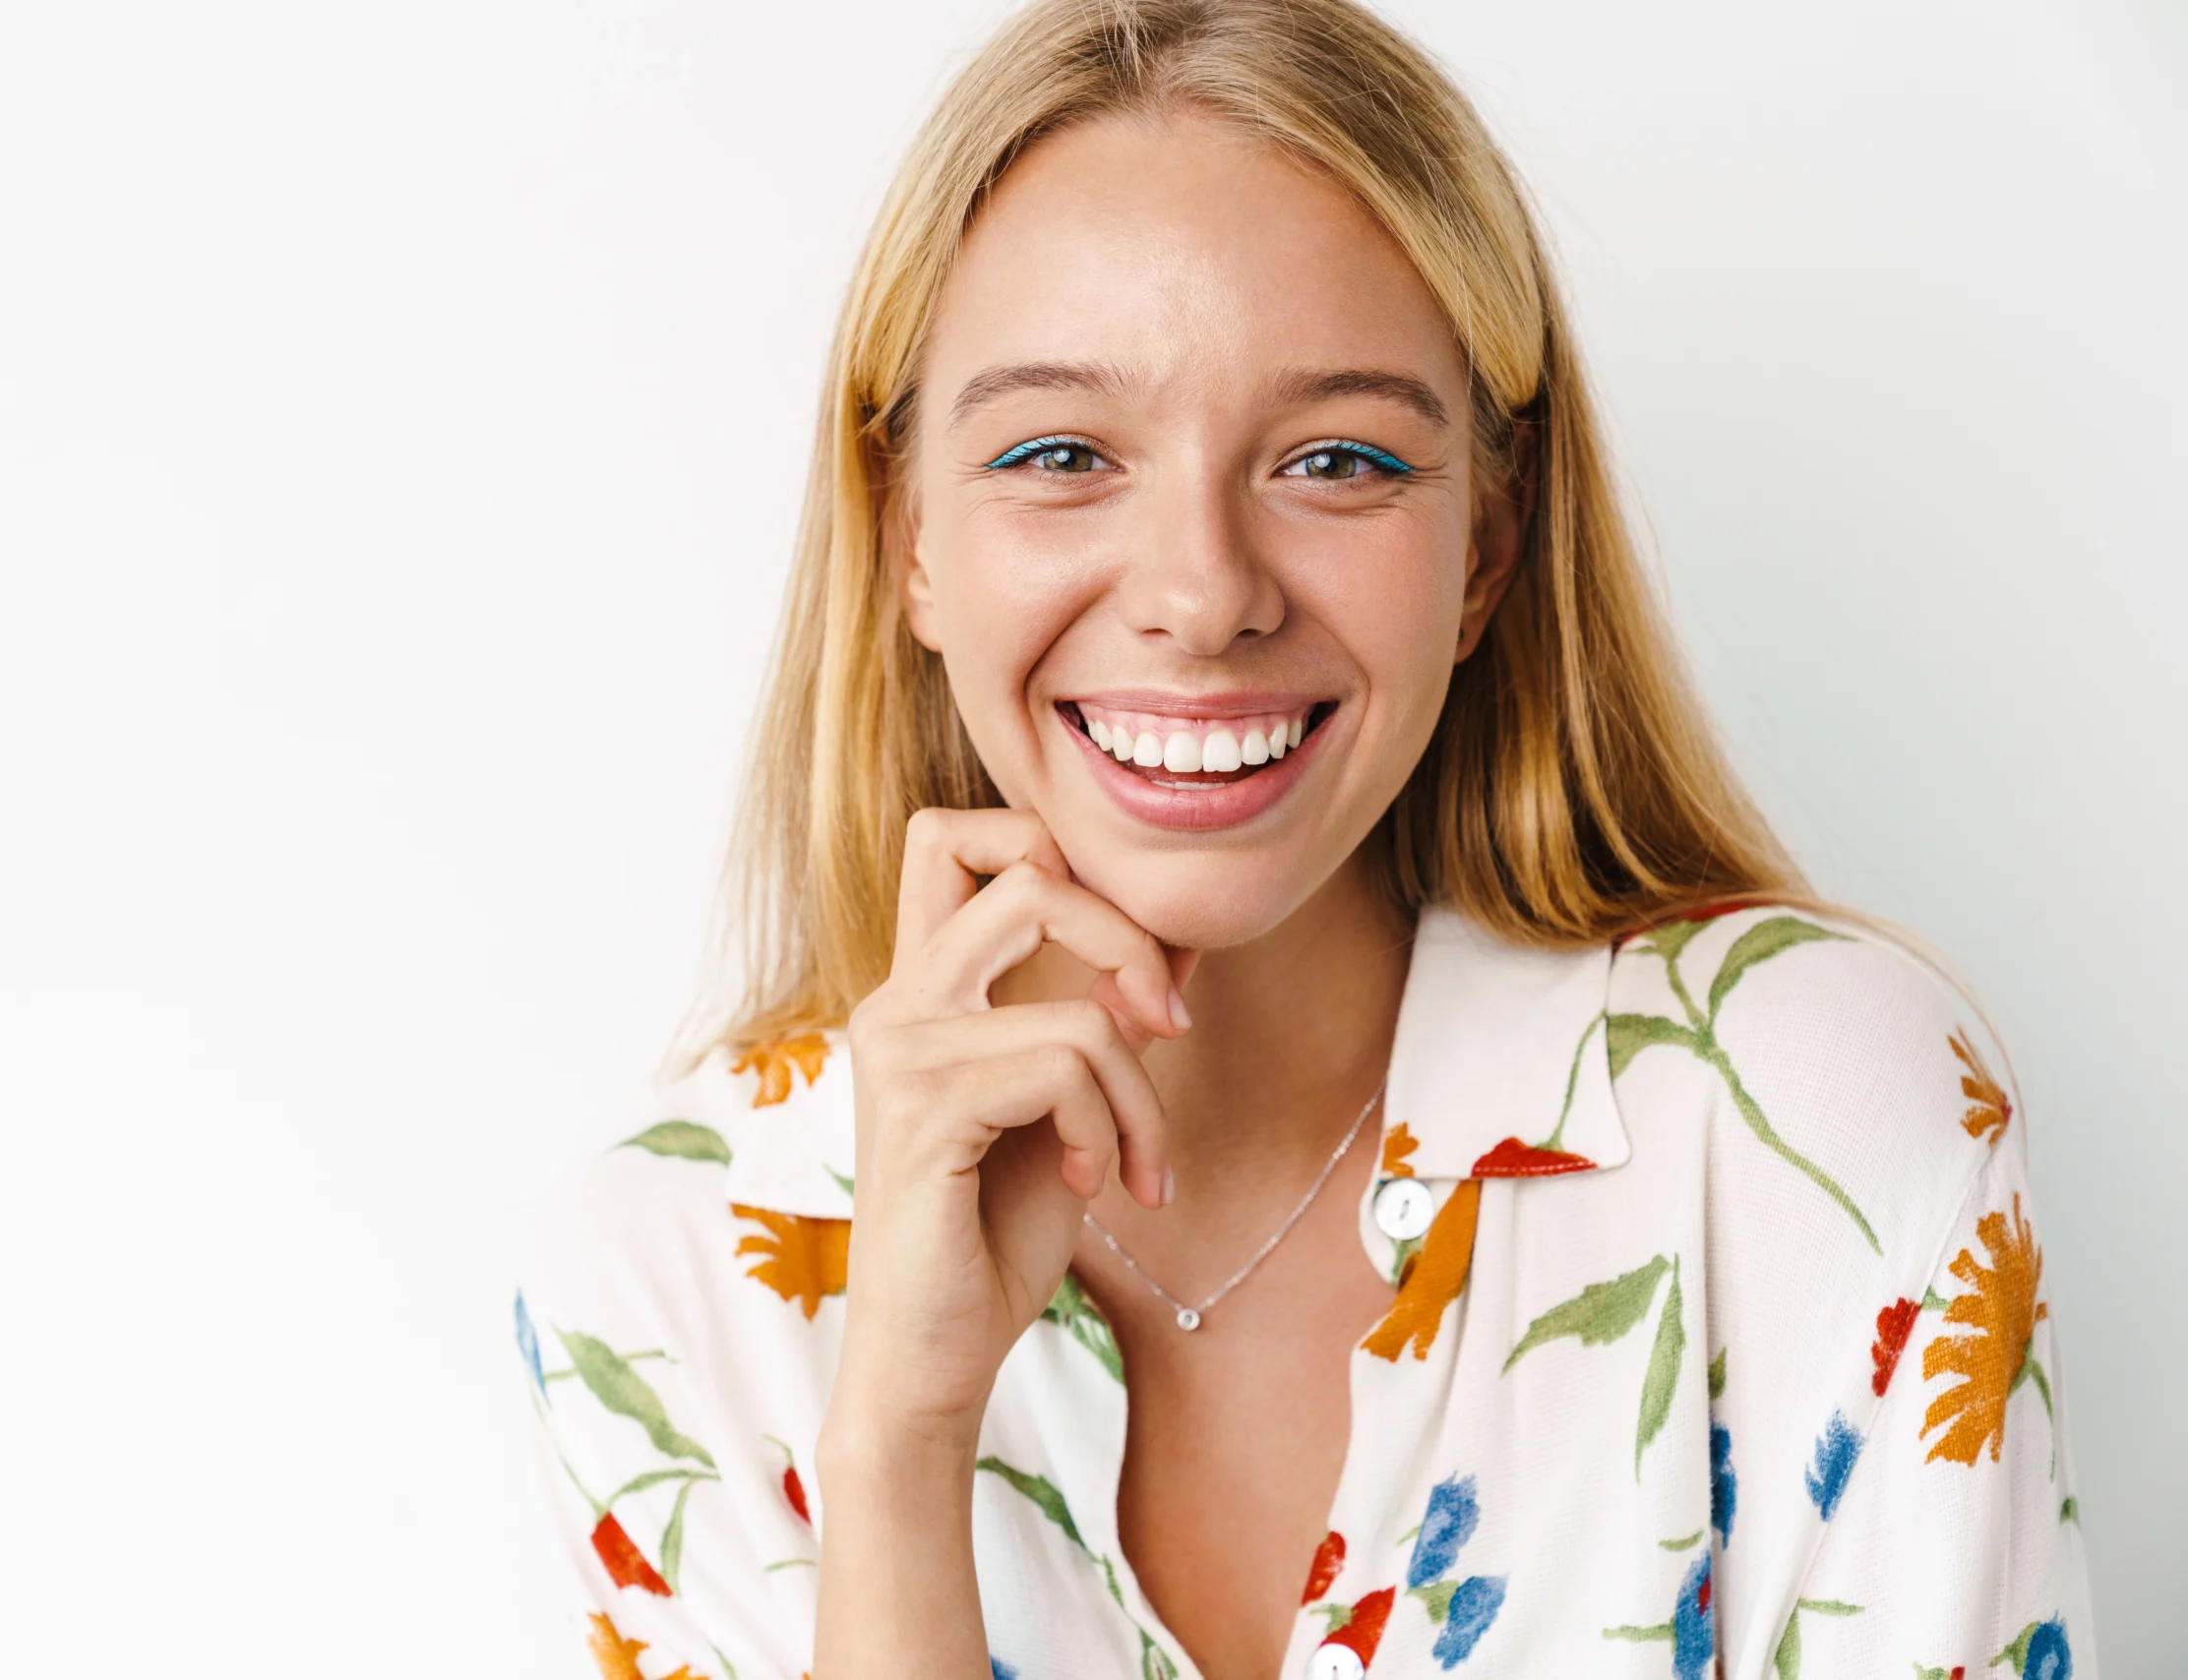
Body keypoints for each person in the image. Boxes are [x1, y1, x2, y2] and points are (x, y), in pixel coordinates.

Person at [515, 2, 2094, 1675]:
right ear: (909, 535)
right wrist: (901, 1447)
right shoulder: (671, 1267)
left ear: (1484, 550)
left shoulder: (1806, 1127)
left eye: (1337, 459)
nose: (1202, 595)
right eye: (1060, 453)